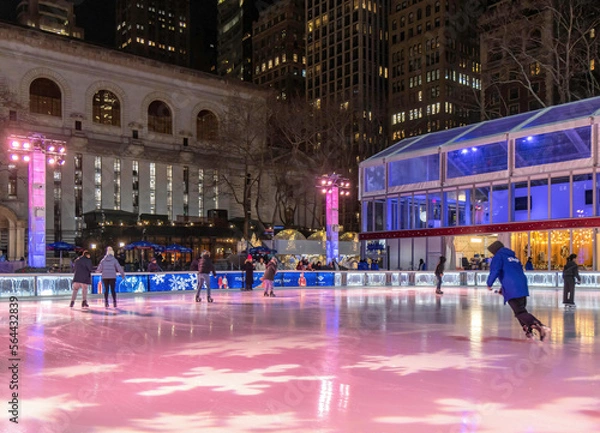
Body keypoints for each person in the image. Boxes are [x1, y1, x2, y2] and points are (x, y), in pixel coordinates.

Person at [486, 240, 551, 341]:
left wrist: (489, 284)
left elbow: (495, 270)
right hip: (522, 285)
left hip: (512, 287)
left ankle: (540, 326)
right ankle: (529, 330)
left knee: (519, 312)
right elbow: (513, 273)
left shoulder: (498, 256)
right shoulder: (514, 257)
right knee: (521, 310)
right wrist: (503, 288)